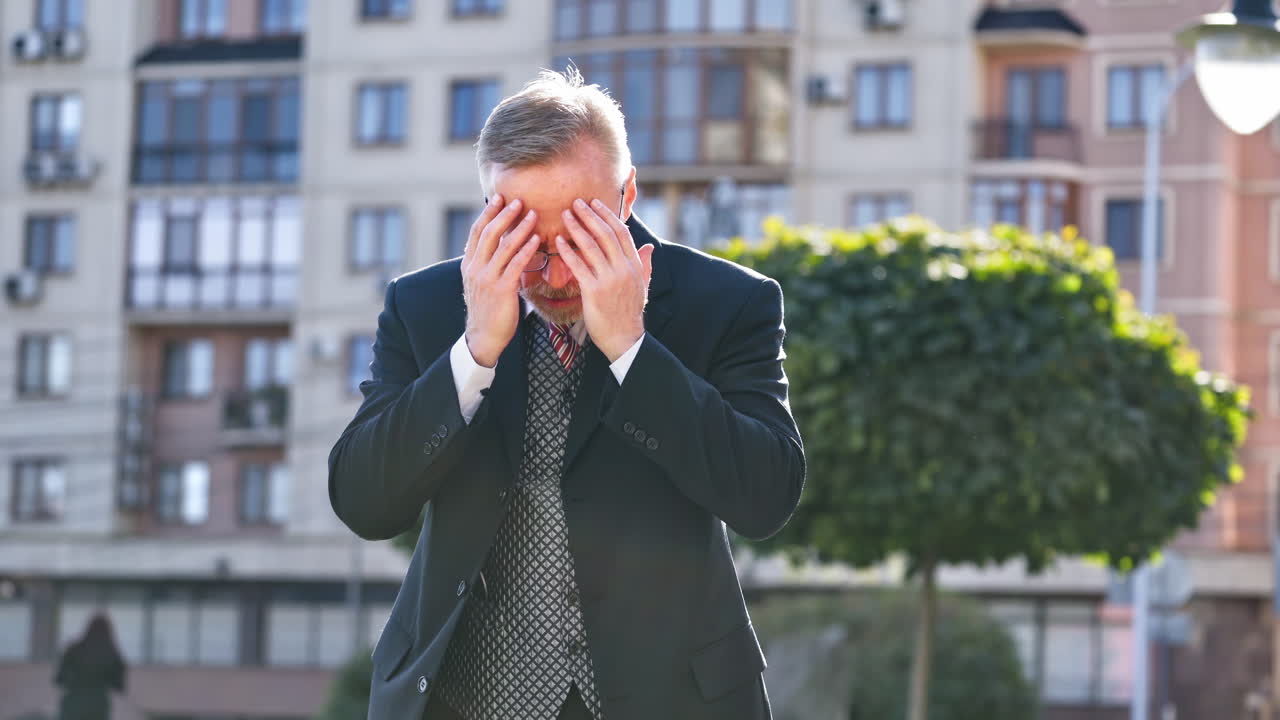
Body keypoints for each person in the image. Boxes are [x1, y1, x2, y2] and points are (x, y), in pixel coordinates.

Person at [328, 67, 805, 720]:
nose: (551, 274)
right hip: (463, 700)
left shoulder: (727, 303)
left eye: (577, 237)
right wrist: (473, 353)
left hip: (669, 699)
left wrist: (633, 350)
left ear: (627, 196)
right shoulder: (426, 306)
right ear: (487, 212)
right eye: (526, 238)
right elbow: (364, 504)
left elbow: (764, 497)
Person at [54, 614, 126, 720]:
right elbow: (119, 686)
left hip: (73, 703)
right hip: (98, 706)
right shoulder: (111, 653)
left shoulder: (73, 649)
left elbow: (59, 679)